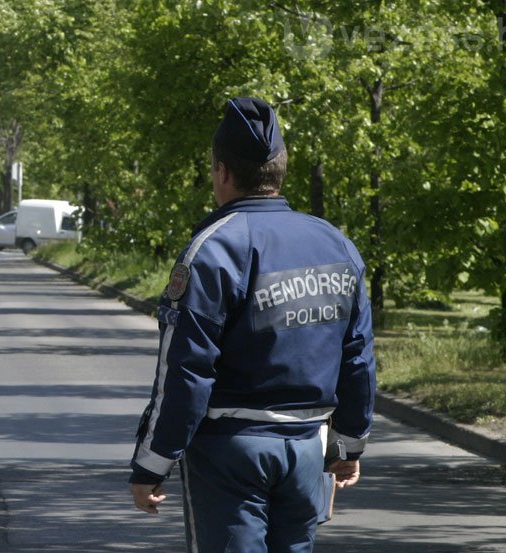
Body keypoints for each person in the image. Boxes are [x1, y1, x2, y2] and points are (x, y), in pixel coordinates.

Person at [128, 97, 376, 553]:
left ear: (222, 172)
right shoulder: (336, 243)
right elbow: (357, 354)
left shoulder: (214, 249)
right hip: (307, 447)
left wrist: (152, 464)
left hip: (230, 450)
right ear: (280, 169)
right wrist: (348, 446)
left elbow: (185, 370)